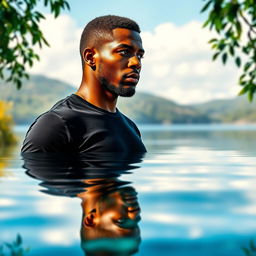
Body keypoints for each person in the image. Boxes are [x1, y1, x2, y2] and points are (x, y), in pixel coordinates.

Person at [21, 15, 146, 153]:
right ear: (90, 57)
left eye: (139, 55)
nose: (136, 63)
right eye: (124, 52)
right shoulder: (56, 125)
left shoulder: (131, 127)